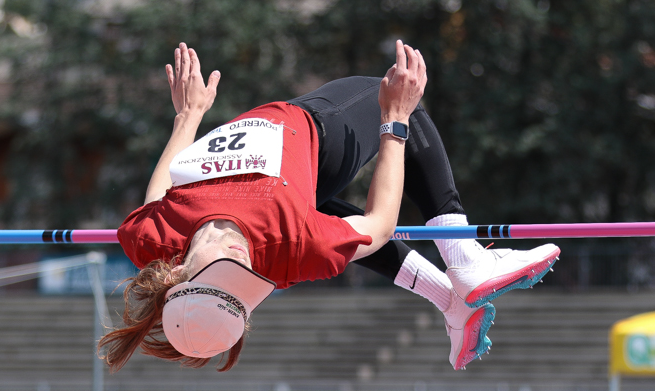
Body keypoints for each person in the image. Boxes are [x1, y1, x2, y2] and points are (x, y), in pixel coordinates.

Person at [99, 41, 560, 372]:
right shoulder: (289, 251)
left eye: (220, 273)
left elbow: (159, 191)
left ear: (177, 271)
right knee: (405, 104)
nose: (240, 264)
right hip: (319, 136)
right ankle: (465, 258)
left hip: (296, 182)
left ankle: (451, 302)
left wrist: (188, 116)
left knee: (327, 217)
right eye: (241, 285)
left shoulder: (152, 242)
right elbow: (378, 226)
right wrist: (394, 121)